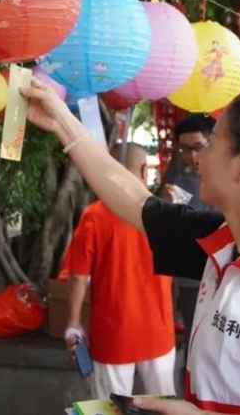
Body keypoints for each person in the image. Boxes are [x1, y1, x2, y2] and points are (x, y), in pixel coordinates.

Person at [21, 80, 240, 415]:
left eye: (211, 143)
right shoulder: (226, 238)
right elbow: (136, 203)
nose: (197, 159)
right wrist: (62, 122)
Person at [64, 143, 176, 399]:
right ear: (144, 171)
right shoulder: (165, 213)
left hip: (113, 335)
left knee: (109, 408)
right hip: (158, 332)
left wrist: (73, 322)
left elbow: (78, 276)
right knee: (165, 406)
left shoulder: (94, 216)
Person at [160, 115, 216, 340]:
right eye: (184, 149)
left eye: (198, 147)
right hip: (192, 277)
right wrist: (166, 207)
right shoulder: (177, 180)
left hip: (225, 272)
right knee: (196, 338)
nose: (191, 156)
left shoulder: (230, 177)